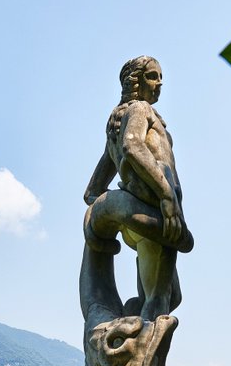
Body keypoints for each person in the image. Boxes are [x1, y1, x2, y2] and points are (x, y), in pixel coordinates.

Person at [81, 56, 193, 329]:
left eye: (160, 77)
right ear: (135, 82)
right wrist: (165, 195)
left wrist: (116, 212)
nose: (160, 82)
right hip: (154, 208)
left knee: (170, 295)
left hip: (138, 214)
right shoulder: (140, 109)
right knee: (159, 301)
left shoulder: (116, 125)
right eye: (152, 76)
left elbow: (93, 190)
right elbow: (133, 148)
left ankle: (128, 321)